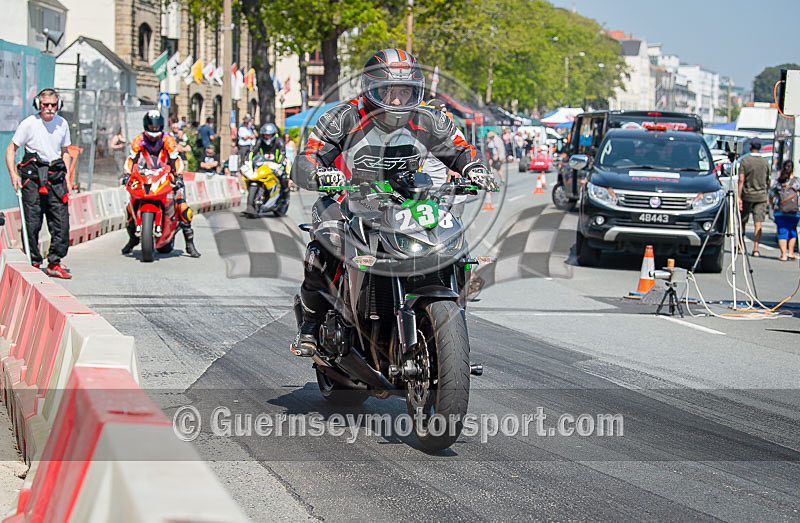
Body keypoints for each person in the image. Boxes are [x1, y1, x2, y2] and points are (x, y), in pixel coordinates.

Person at [289, 48, 497, 356]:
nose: (397, 99)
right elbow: (308, 157)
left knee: (449, 236)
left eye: (404, 90)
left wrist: (475, 168)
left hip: (410, 201)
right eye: (388, 90)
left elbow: (460, 148)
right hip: (352, 199)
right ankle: (312, 321)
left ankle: (447, 319)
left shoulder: (428, 117)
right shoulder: (346, 115)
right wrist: (319, 173)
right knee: (328, 238)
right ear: (371, 88)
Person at [4, 88, 72, 278]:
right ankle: (33, 261)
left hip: (55, 176)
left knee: (61, 222)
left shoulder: (62, 124)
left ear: (58, 105)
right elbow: (11, 149)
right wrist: (14, 175)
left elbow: (65, 151)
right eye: (45, 105)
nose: (49, 109)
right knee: (32, 221)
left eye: (53, 105)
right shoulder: (29, 124)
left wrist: (67, 177)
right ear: (38, 105)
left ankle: (54, 262)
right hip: (33, 177)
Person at [122, 110, 201, 257]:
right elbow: (131, 158)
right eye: (151, 126)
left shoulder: (168, 139)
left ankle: (189, 244)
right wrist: (127, 174)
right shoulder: (139, 139)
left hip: (166, 175)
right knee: (129, 206)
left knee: (182, 205)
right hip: (145, 175)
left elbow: (175, 158)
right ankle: (133, 239)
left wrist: (177, 175)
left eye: (156, 126)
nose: (153, 129)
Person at [738, 137, 770, 256]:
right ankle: (756, 248)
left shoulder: (745, 161)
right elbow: (768, 180)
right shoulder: (765, 162)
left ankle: (740, 246)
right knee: (758, 223)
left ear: (750, 146)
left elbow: (741, 179)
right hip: (761, 195)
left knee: (742, 222)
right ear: (760, 147)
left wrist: (739, 196)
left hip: (747, 194)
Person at [251, 122, 289, 207]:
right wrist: (248, 160)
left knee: (283, 177)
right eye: (265, 135)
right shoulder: (260, 141)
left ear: (273, 134)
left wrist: (281, 162)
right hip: (263, 164)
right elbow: (254, 151)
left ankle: (285, 195)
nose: (267, 137)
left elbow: (283, 153)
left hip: (276, 164)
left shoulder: (279, 141)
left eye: (269, 135)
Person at [769, 160, 800, 261]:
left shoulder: (779, 181)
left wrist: (773, 205)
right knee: (792, 230)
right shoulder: (797, 181)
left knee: (782, 231)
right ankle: (791, 252)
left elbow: (771, 194)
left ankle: (783, 254)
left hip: (780, 210)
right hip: (795, 211)